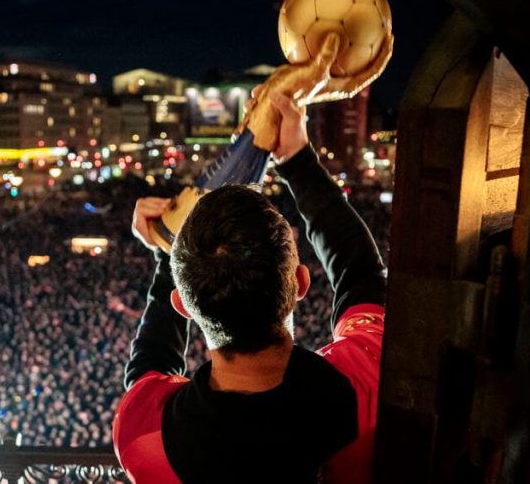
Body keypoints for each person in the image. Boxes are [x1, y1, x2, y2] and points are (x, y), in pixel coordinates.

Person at [114, 90, 387, 483]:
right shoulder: (368, 383)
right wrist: (297, 159)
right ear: (299, 282)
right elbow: (361, 274)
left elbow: (148, 371)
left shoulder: (142, 435)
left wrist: (166, 251)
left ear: (184, 305)